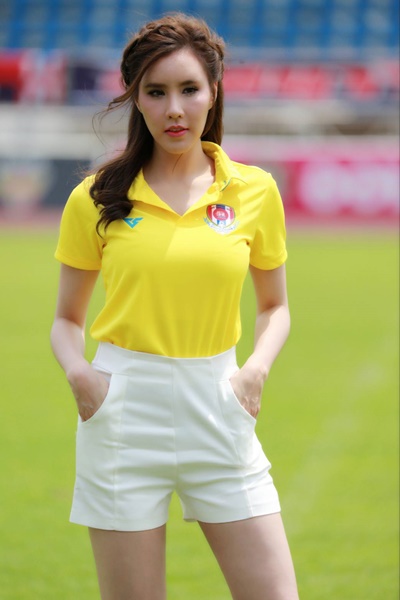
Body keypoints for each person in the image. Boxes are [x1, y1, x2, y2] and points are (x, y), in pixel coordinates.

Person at [50, 12, 299, 600]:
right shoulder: (96, 197)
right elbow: (66, 319)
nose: (175, 110)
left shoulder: (254, 190)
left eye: (189, 89)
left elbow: (275, 307)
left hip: (219, 403)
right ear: (135, 98)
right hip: (120, 411)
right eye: (156, 92)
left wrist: (255, 371)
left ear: (214, 92)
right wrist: (81, 375)